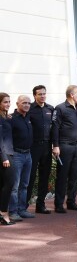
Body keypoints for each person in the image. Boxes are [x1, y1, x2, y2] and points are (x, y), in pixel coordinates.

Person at [52, 85, 77, 213]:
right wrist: (55, 146)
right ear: (72, 95)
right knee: (62, 176)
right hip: (65, 146)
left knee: (74, 175)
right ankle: (59, 204)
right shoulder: (60, 108)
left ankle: (71, 202)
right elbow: (55, 128)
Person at [27, 85, 54, 214]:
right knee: (30, 177)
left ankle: (40, 205)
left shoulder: (50, 109)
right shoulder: (29, 109)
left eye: (44, 94)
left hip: (47, 147)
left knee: (44, 176)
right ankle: (24, 206)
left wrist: (55, 145)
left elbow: (54, 128)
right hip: (33, 147)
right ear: (34, 96)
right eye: (39, 94)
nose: (42, 96)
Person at [9, 95, 34, 221]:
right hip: (16, 155)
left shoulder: (28, 117)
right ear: (17, 103)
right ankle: (12, 212)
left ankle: (22, 209)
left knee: (24, 184)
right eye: (24, 103)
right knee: (15, 185)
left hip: (28, 155)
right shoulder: (11, 119)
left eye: (29, 103)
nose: (27, 105)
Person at [0, 93, 16, 225]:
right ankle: (3, 212)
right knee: (9, 183)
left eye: (9, 102)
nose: (8, 104)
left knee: (4, 184)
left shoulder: (6, 117)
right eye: (5, 102)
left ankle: (2, 211)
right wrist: (4, 157)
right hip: (4, 156)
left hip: (9, 153)